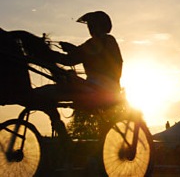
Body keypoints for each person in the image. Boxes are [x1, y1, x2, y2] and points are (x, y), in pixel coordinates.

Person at [35, 11, 123, 140]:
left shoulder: (103, 41)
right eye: (89, 25)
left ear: (100, 26)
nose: (90, 28)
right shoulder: (104, 41)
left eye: (92, 25)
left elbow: (70, 60)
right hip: (103, 87)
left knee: (67, 79)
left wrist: (46, 53)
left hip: (100, 88)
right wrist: (72, 50)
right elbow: (80, 55)